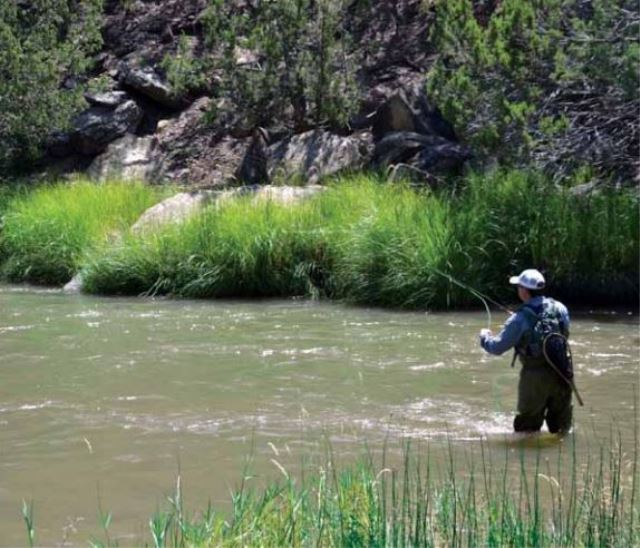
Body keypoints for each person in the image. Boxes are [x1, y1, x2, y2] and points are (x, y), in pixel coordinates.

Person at [479, 269, 572, 434]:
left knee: (526, 430)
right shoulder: (560, 308)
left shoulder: (518, 319)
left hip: (535, 377)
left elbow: (496, 348)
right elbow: (564, 335)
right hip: (563, 371)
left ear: (524, 291)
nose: (518, 290)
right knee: (561, 429)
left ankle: (528, 452)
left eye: (519, 287)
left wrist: (484, 337)